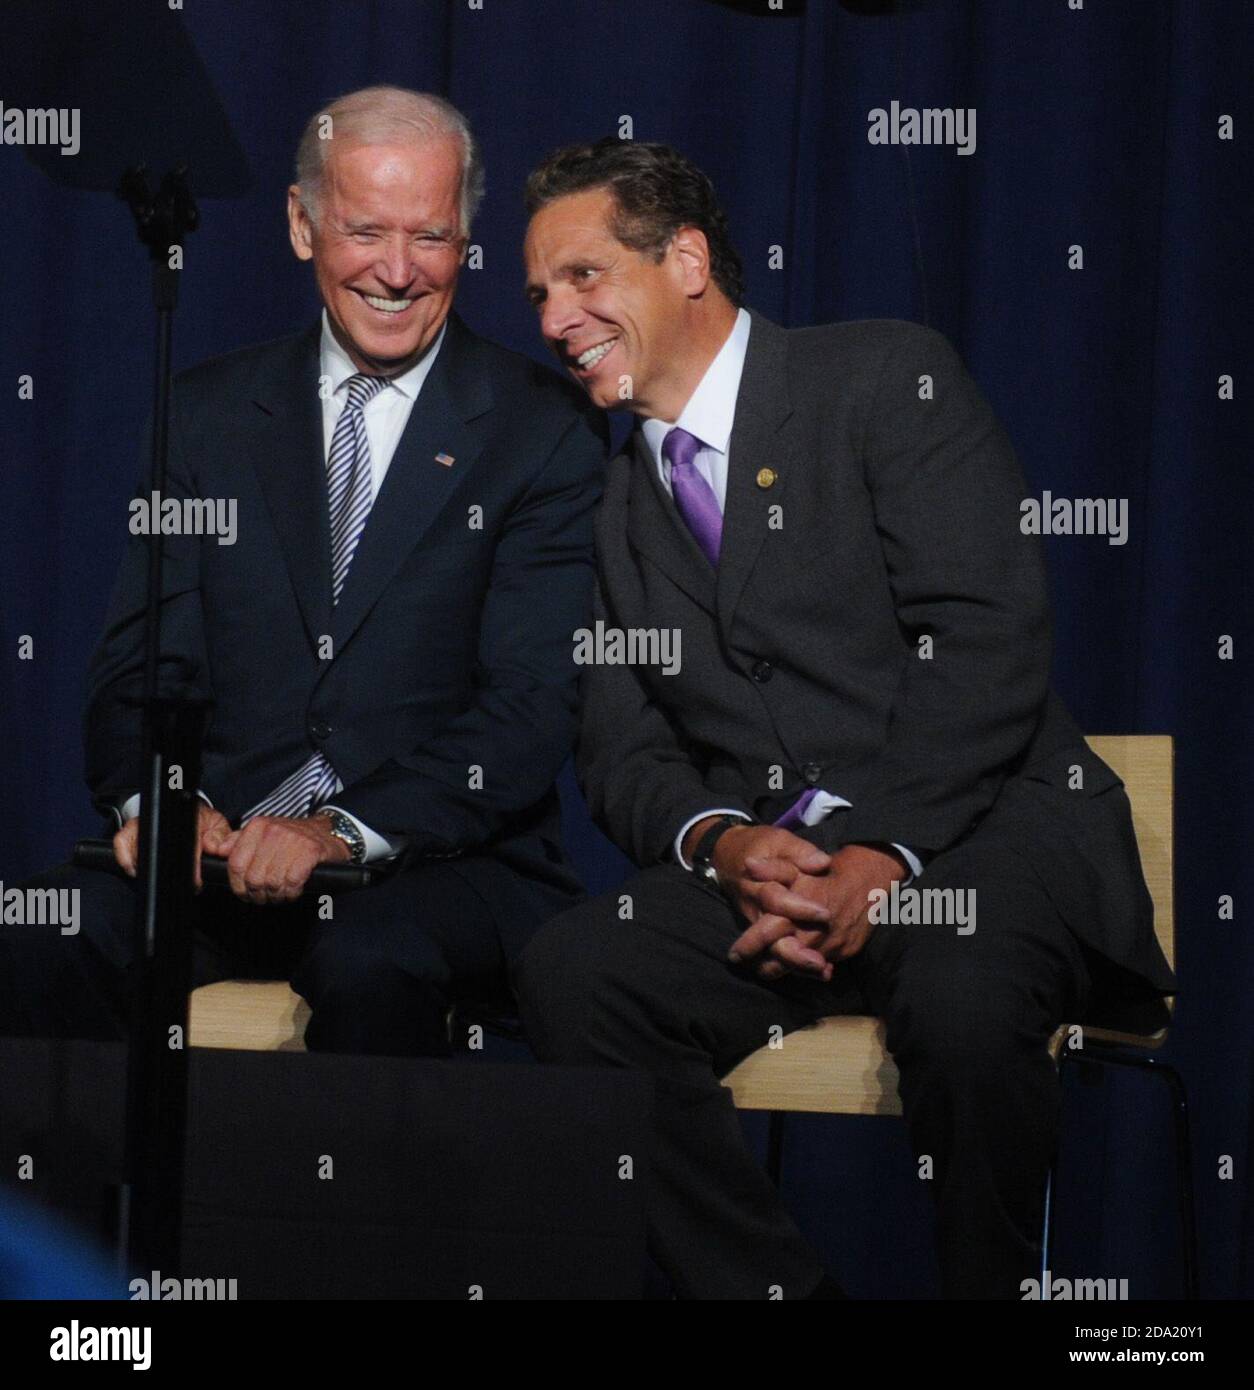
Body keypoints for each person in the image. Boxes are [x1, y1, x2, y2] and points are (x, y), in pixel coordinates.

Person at [514, 137, 1176, 1298]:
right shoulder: (615, 503)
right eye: (538, 293)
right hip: (777, 877)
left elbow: (987, 641)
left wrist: (876, 854)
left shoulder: (881, 378)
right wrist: (726, 843)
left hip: (973, 836)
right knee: (576, 971)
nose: (556, 316)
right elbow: (621, 749)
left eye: (582, 277)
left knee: (966, 1005)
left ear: (685, 260)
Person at [0, 87, 606, 1056]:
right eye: (366, 230)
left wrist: (339, 830)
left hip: (435, 868)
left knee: (369, 963)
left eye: (433, 237)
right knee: (36, 933)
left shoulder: (545, 432)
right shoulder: (205, 416)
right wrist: (161, 805)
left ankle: (334, 1213)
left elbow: (528, 712)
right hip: (219, 864)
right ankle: (87, 1214)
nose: (399, 272)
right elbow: (136, 671)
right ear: (301, 223)